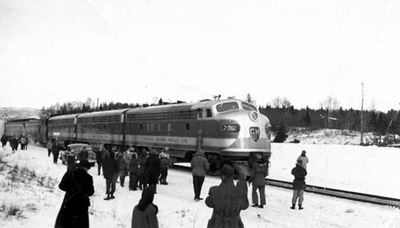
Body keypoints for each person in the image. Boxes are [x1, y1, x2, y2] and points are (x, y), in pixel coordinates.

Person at [55, 160, 95, 228]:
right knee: (79, 223)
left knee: (65, 221)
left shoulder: (69, 173)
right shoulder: (88, 177)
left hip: (69, 201)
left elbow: (61, 186)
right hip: (81, 204)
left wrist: (71, 190)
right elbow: (91, 192)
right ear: (87, 168)